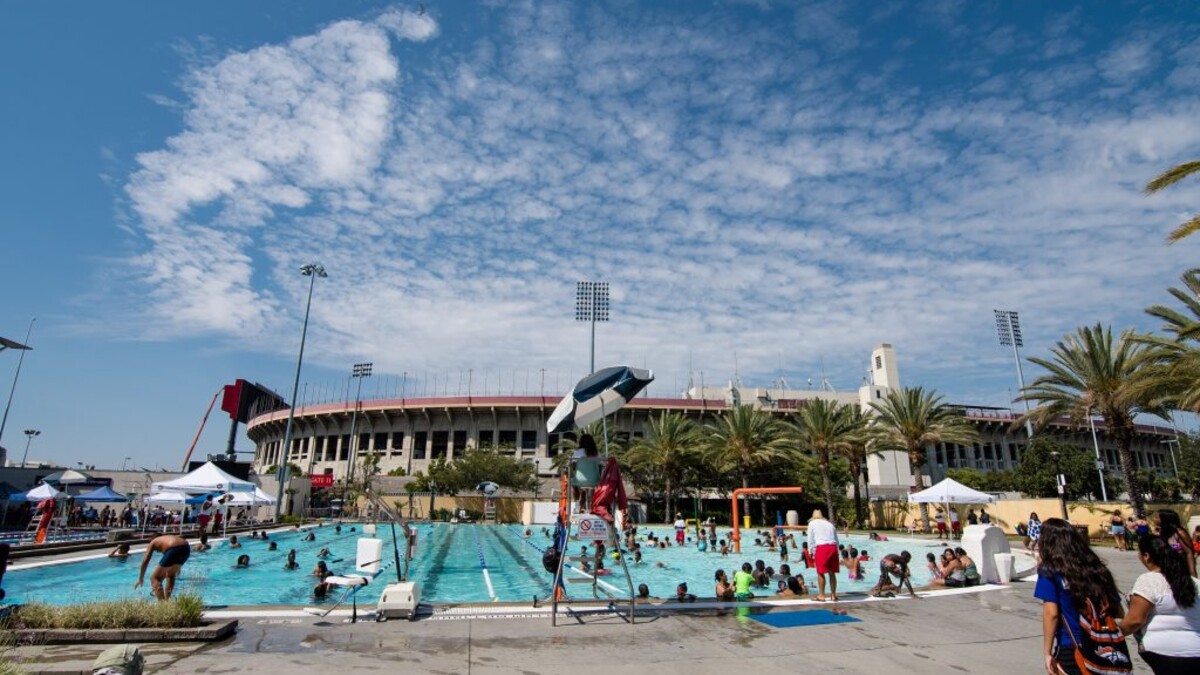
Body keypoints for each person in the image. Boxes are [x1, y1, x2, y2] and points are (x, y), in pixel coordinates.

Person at [1035, 518, 1127, 675]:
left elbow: (1052, 614)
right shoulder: (1096, 568)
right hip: (1105, 643)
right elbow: (1118, 610)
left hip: (1072, 644)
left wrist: (1047, 653)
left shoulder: (1050, 570)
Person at [1120, 533, 1200, 673]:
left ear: (1146, 556)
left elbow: (1135, 620)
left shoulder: (1149, 580)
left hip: (1163, 652)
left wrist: (1113, 634)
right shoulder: (1193, 582)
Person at [134, 534, 190, 601]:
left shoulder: (153, 542)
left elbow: (145, 561)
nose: (157, 551)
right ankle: (166, 601)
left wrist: (141, 578)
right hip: (186, 548)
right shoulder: (167, 539)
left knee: (154, 578)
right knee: (170, 575)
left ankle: (162, 604)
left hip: (174, 548)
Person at [807, 509, 839, 602]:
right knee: (832, 572)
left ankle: (822, 595)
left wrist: (811, 552)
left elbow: (810, 539)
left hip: (822, 548)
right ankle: (833, 595)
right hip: (832, 547)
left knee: (820, 573)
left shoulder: (812, 523)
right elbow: (836, 539)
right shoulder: (830, 524)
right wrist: (836, 550)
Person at [1156, 510, 1197, 578]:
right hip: (1168, 567)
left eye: (1157, 517)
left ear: (1165, 519)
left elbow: (1189, 552)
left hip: (1181, 568)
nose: (1155, 519)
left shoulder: (1179, 533)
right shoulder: (1163, 532)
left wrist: (1192, 572)